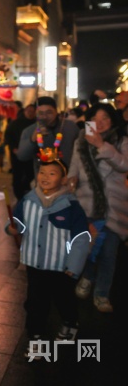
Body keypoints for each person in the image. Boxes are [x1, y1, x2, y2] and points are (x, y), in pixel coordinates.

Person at [6, 153, 89, 352]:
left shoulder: (71, 206)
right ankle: (36, 338)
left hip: (61, 266)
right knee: (36, 302)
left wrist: (74, 266)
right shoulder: (28, 200)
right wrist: (13, 228)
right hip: (34, 263)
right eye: (42, 172)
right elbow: (19, 223)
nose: (45, 176)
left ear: (63, 179)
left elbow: (81, 237)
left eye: (52, 173)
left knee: (64, 298)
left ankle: (70, 322)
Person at [67, 103, 128, 313]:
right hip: (87, 204)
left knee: (109, 252)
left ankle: (102, 293)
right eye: (96, 118)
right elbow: (74, 164)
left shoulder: (122, 141)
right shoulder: (81, 140)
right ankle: (88, 275)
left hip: (112, 207)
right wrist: (71, 178)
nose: (100, 123)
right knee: (89, 247)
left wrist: (102, 145)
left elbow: (124, 165)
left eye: (105, 118)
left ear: (113, 121)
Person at [17, 96, 79, 178]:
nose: (45, 116)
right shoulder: (30, 130)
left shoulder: (70, 127)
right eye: (40, 113)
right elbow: (22, 156)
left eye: (49, 112)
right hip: (44, 181)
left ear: (56, 111)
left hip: (69, 177)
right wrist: (32, 140)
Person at [5, 102, 36, 200]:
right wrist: (14, 148)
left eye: (33, 111)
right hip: (16, 154)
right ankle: (19, 195)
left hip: (31, 156)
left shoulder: (36, 124)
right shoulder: (15, 123)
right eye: (29, 111)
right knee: (17, 175)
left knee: (30, 175)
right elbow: (8, 136)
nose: (30, 113)